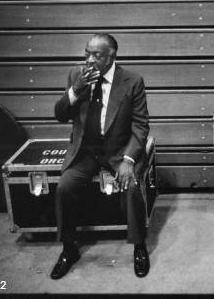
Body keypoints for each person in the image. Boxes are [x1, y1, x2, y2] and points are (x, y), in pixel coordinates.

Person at [51, 33, 150, 279]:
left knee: (133, 186)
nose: (89, 59)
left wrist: (128, 160)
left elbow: (140, 126)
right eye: (87, 53)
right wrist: (76, 90)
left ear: (111, 57)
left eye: (96, 55)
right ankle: (69, 248)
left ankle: (139, 247)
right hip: (85, 151)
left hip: (117, 151)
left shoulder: (132, 81)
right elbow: (61, 114)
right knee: (64, 187)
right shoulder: (77, 76)